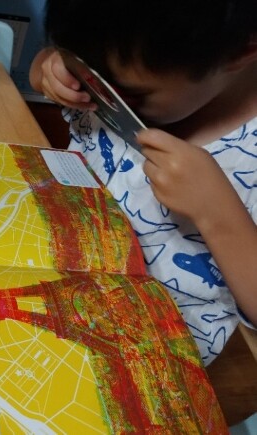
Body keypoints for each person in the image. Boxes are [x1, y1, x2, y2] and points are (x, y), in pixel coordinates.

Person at [29, 0, 257, 365]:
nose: (105, 95)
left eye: (130, 96)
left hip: (148, 350)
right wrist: (49, 68)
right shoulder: (119, 48)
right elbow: (43, 68)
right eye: (89, 76)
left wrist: (218, 214)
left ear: (243, 49)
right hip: (50, 263)